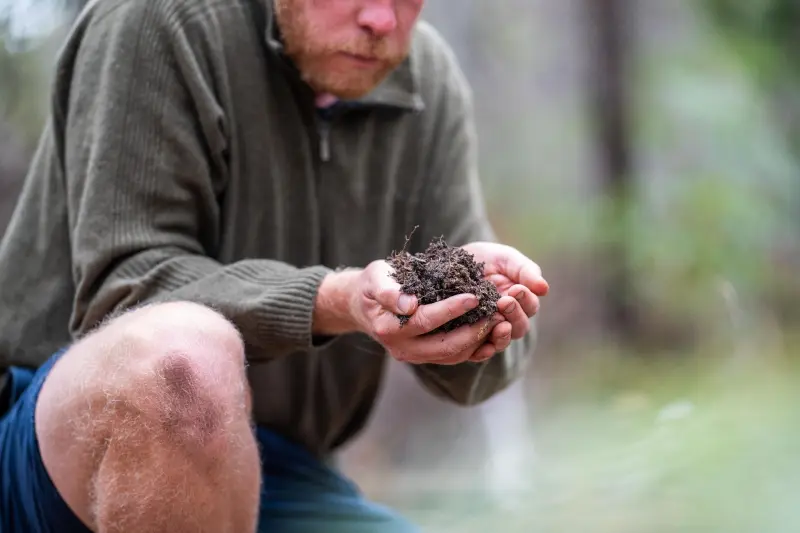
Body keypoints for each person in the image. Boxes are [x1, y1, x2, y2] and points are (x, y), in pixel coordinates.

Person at [0, 0, 550, 531]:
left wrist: (483, 316)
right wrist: (338, 298)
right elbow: (127, 291)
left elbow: (479, 374)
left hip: (282, 475)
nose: (382, 19)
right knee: (183, 358)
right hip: (59, 455)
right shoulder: (157, 17)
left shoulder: (425, 76)